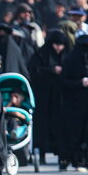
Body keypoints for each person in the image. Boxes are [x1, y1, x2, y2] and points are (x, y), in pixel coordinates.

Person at [59, 35, 88, 172]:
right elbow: (64, 81)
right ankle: (77, 160)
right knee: (75, 132)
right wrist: (80, 83)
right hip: (74, 103)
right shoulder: (70, 60)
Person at [28, 29, 68, 161]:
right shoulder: (40, 55)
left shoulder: (66, 55)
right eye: (56, 44)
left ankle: (60, 153)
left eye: (61, 45)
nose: (59, 48)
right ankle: (42, 154)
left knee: (59, 124)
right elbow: (33, 71)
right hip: (43, 96)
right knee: (42, 125)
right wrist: (51, 70)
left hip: (59, 97)